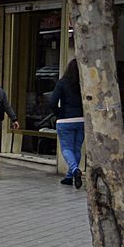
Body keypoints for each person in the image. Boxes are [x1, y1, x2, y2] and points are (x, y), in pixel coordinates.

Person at [51, 59, 84, 187]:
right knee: (76, 149)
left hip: (65, 119)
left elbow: (52, 102)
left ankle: (75, 170)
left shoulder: (62, 82)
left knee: (66, 148)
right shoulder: (84, 83)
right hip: (81, 119)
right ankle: (69, 177)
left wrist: (58, 113)